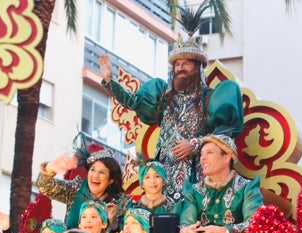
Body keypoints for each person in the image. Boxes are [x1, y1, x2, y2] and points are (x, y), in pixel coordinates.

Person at [99, 34, 244, 202]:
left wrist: (193, 145)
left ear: (198, 68)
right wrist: (110, 81)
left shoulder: (210, 98)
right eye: (177, 64)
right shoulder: (163, 98)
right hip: (162, 179)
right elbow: (134, 102)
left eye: (186, 63)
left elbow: (225, 136)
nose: (180, 68)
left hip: (196, 177)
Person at [37, 148, 128, 232]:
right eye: (92, 170)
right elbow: (45, 186)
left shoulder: (120, 203)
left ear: (111, 180)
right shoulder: (76, 189)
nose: (95, 175)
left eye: (102, 172)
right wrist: (50, 168)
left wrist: (113, 222)